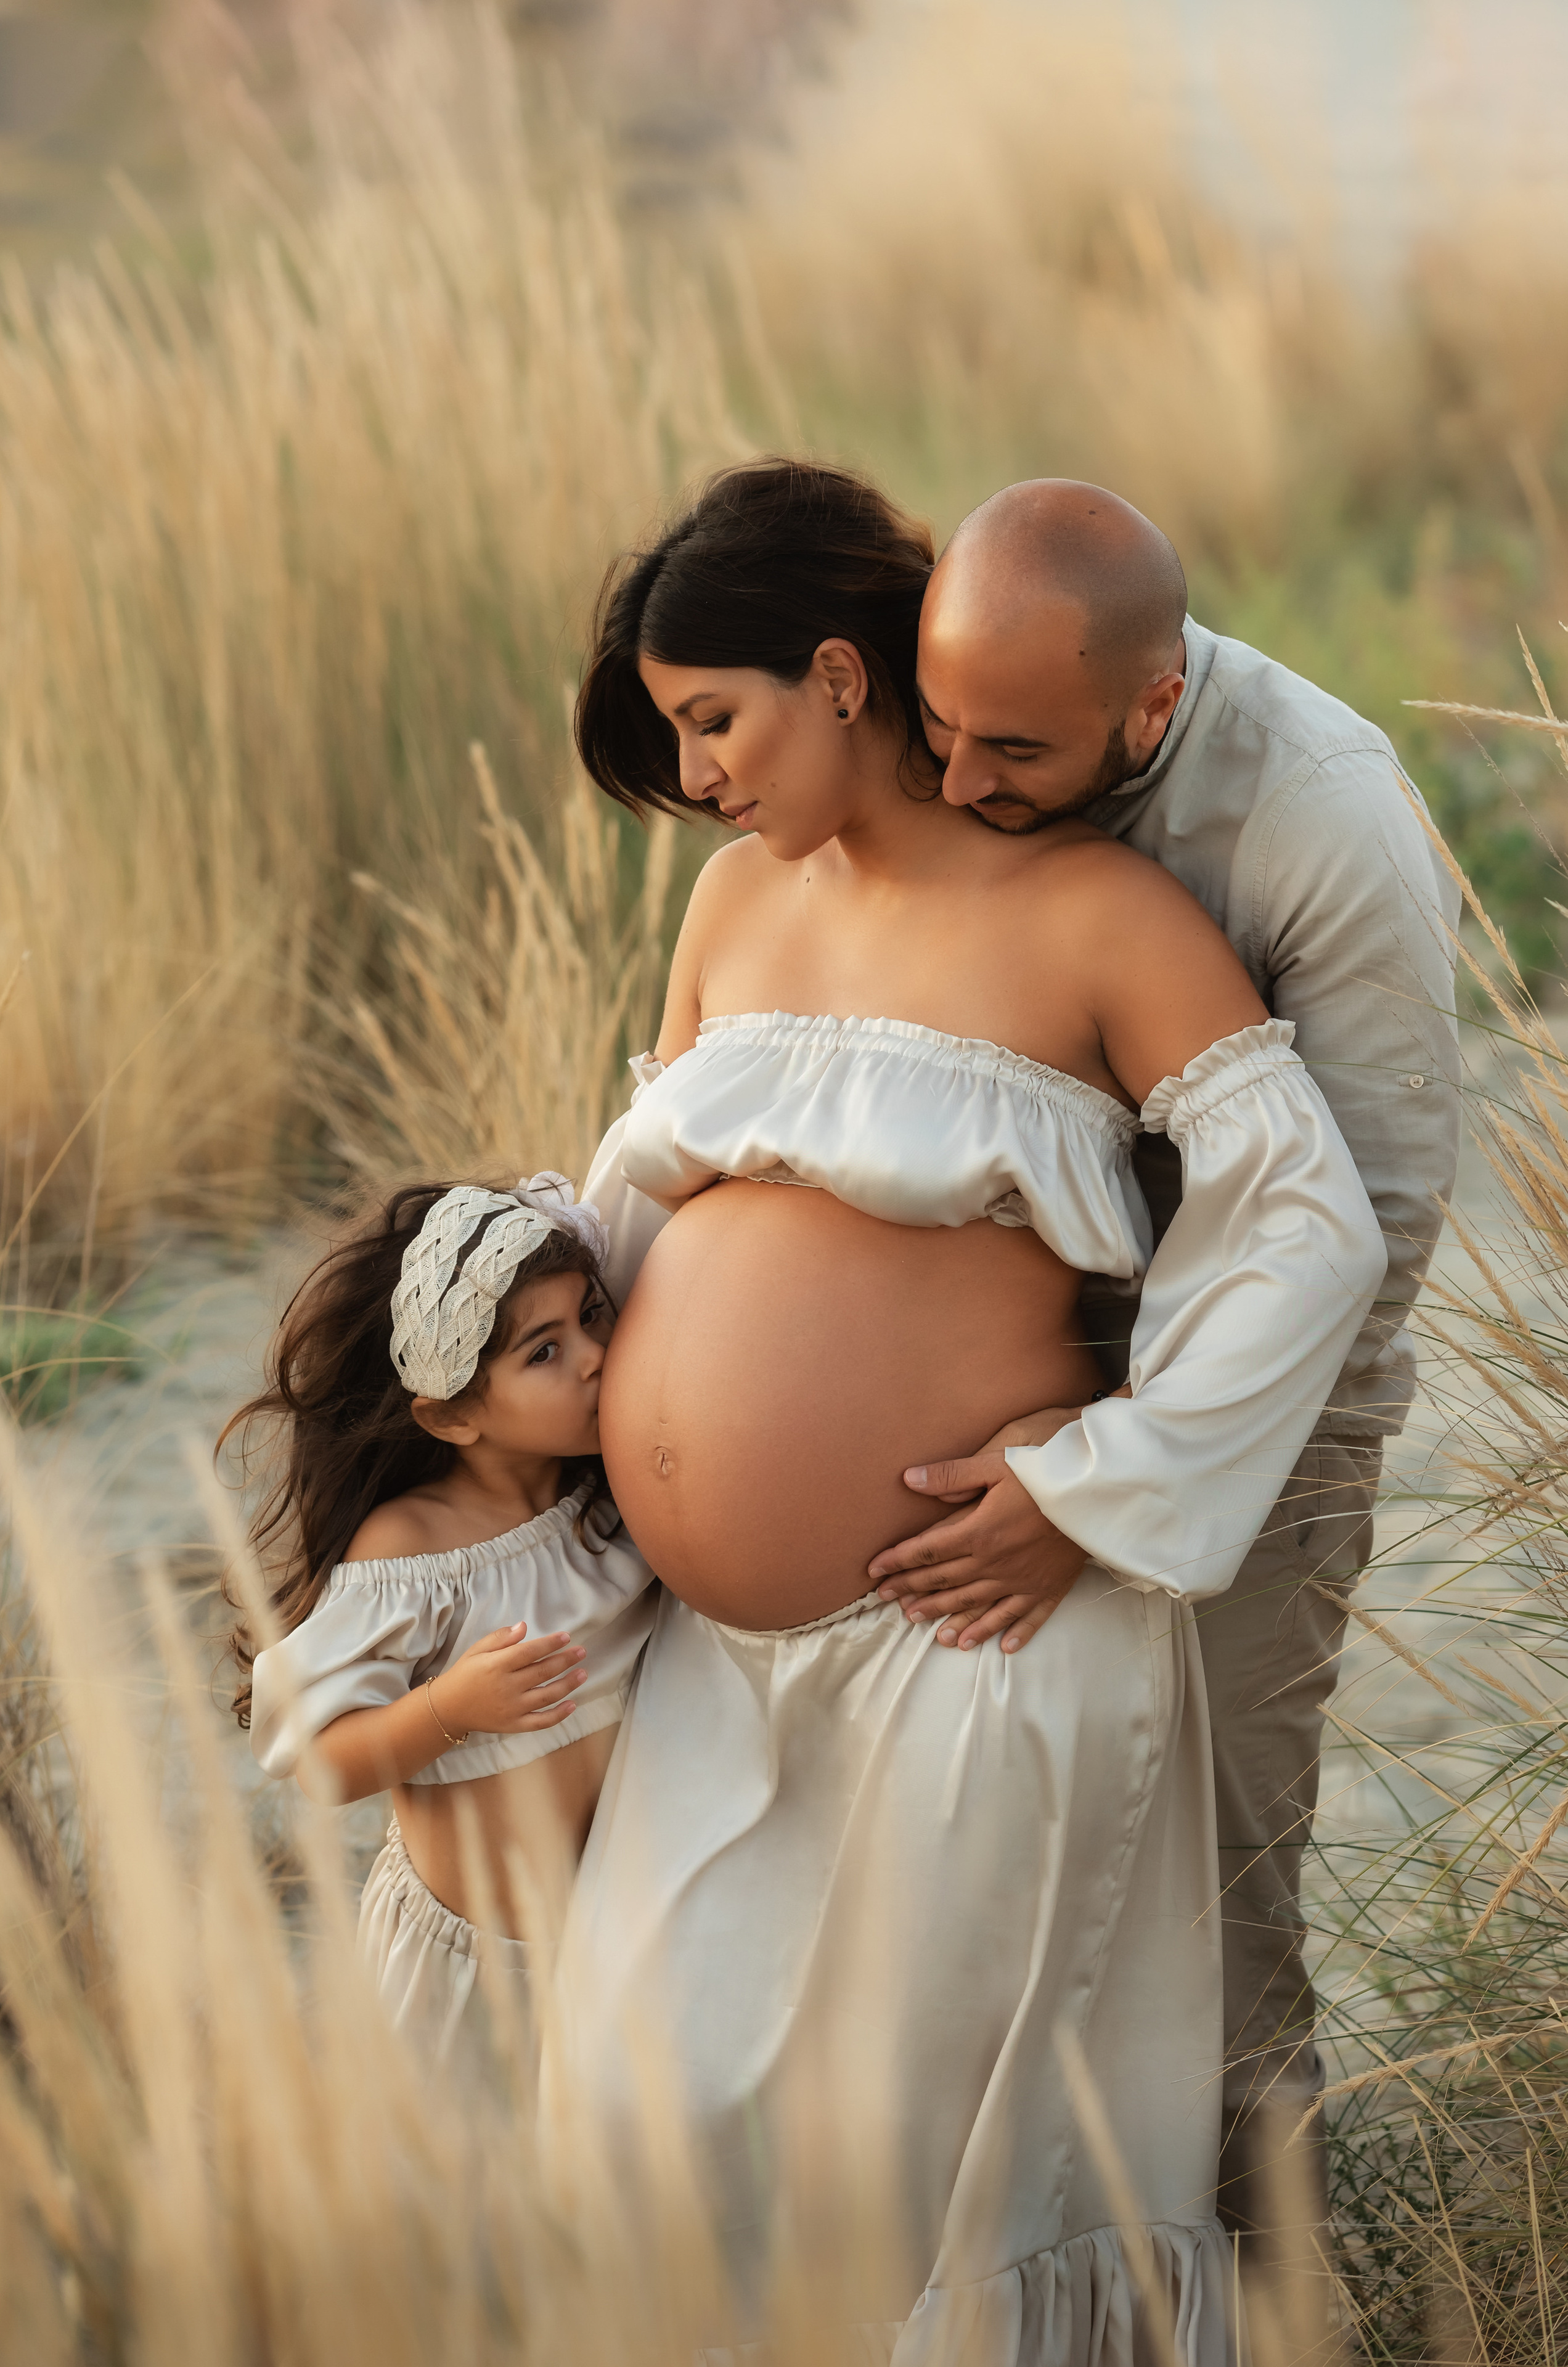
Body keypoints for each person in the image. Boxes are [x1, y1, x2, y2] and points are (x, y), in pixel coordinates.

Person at [555, 457, 1387, 2360]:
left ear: (844, 678)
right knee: (643, 2117)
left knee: (933, 2174)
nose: (697, 776)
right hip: (711, 1659)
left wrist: (1096, 1485)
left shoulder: (1097, 917)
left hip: (969, 1633)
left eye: (714, 721)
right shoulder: (727, 910)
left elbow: (1305, 1232)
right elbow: (630, 1216)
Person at [865, 480, 1461, 2238]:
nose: (957, 781)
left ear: (1153, 706)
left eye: (1014, 753)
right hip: (983, 1408)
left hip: (1254, 1432)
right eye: (939, 723)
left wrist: (1099, 1482)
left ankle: (1265, 2290)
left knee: (1212, 1883)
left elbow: (1373, 1227)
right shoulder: (966, 721)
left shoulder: (1319, 814)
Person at [226, 1174, 656, 2063]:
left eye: (592, 1316)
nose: (592, 1356)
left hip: (615, 1947)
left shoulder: (609, 1508)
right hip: (469, 1975)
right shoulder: (413, 1554)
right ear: (453, 1414)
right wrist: (451, 1710)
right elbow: (323, 1764)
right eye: (543, 1351)